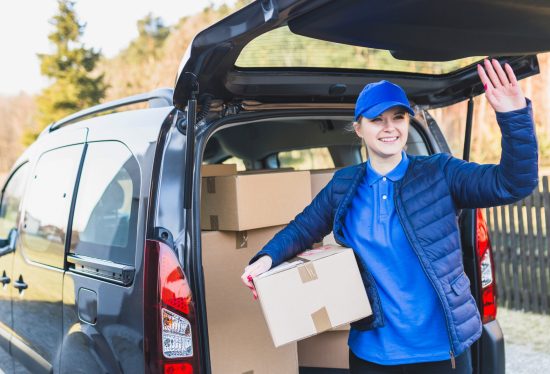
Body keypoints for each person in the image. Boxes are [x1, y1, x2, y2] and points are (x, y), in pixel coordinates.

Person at [241, 59, 538, 374]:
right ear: (359, 128)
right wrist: (266, 259)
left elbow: (512, 184)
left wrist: (514, 117)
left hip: (439, 351)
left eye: (398, 117)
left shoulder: (440, 172)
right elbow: (302, 229)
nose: (389, 128)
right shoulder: (344, 185)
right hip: (371, 353)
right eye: (377, 119)